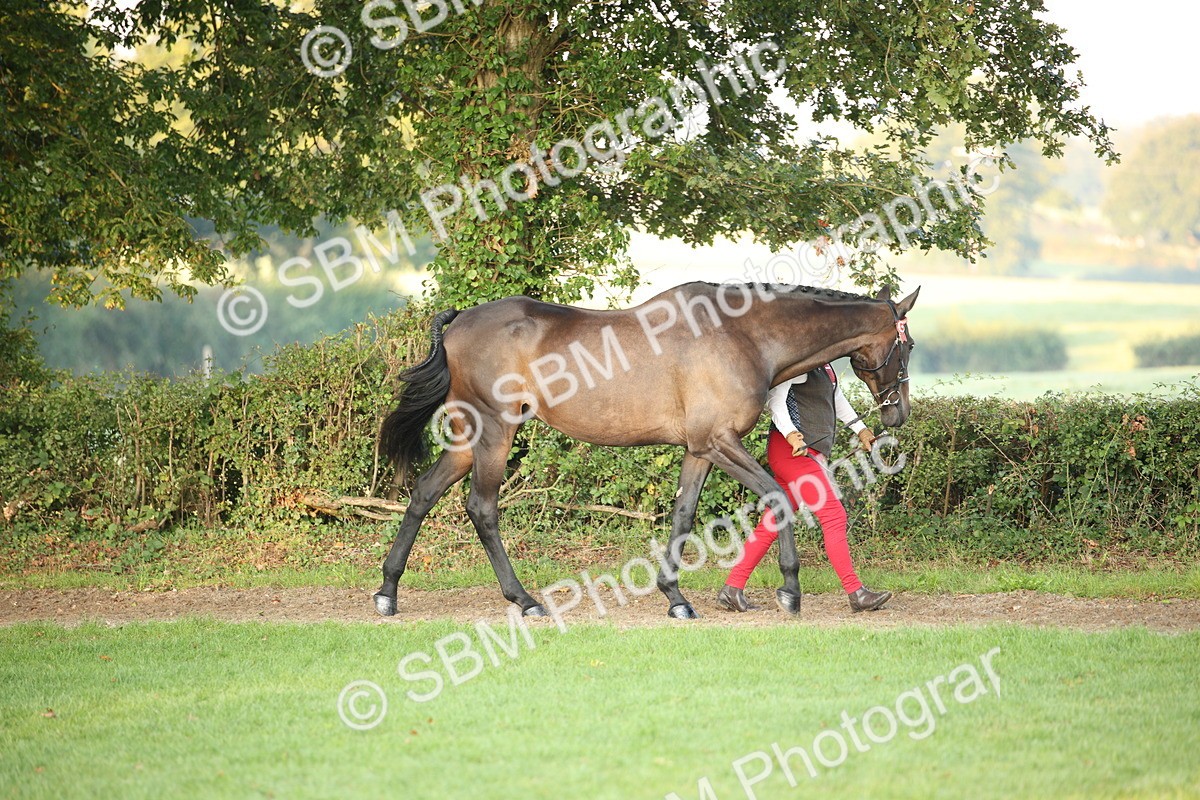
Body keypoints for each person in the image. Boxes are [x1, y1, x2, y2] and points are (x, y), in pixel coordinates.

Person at [716, 362, 893, 613]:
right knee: (833, 515)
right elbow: (775, 400)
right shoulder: (800, 363)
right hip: (792, 453)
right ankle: (856, 593)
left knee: (772, 522)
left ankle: (732, 589)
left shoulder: (824, 365)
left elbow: (836, 398)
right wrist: (790, 434)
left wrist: (861, 430)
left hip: (804, 454)